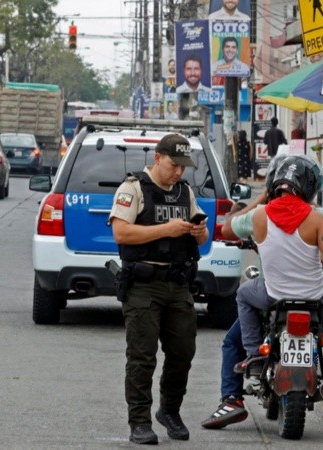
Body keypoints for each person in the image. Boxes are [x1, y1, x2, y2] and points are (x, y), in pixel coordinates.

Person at [201, 155, 323, 429]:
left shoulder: (259, 216)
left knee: (241, 302)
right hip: (314, 297)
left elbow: (227, 228)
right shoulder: (318, 217)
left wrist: (259, 199)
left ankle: (242, 379)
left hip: (273, 296)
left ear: (273, 185)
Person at [109, 133, 209, 445]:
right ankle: (139, 421)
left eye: (184, 166)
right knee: (142, 356)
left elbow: (201, 242)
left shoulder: (184, 191)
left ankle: (169, 410)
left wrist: (199, 231)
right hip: (143, 286)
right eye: (173, 164)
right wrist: (165, 229)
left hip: (178, 284)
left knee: (183, 352)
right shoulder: (133, 188)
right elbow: (121, 233)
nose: (178, 172)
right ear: (157, 158)